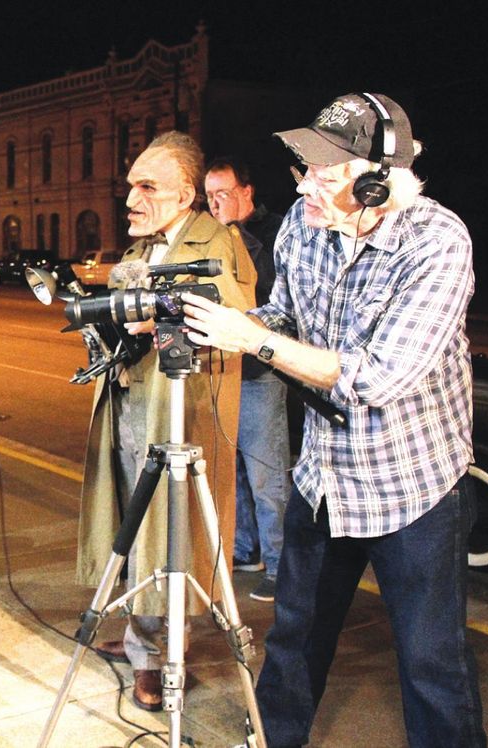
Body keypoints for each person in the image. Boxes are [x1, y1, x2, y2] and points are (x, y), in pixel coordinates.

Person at [182, 93, 485, 747]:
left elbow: (376, 378)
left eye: (329, 169)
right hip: (324, 479)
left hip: (413, 489)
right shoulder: (302, 224)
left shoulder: (436, 243)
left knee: (432, 665)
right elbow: (284, 315)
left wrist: (254, 340)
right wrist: (216, 328)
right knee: (292, 644)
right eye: (307, 164)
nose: (308, 181)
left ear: (380, 182)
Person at [78, 132, 256, 711]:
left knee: (171, 534)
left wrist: (155, 313)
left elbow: (231, 305)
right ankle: (140, 640)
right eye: (129, 184)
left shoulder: (217, 241)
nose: (130, 197)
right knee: (135, 527)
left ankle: (156, 657)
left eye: (146, 186)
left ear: (185, 193)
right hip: (133, 404)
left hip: (181, 410)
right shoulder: (141, 248)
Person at [204, 157, 288, 603]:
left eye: (223, 193)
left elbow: (271, 290)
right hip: (223, 368)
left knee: (266, 473)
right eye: (210, 195)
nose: (216, 203)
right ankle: (245, 550)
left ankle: (280, 565)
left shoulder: (275, 231)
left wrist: (236, 231)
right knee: (230, 468)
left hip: (260, 370)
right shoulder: (214, 235)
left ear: (246, 191)